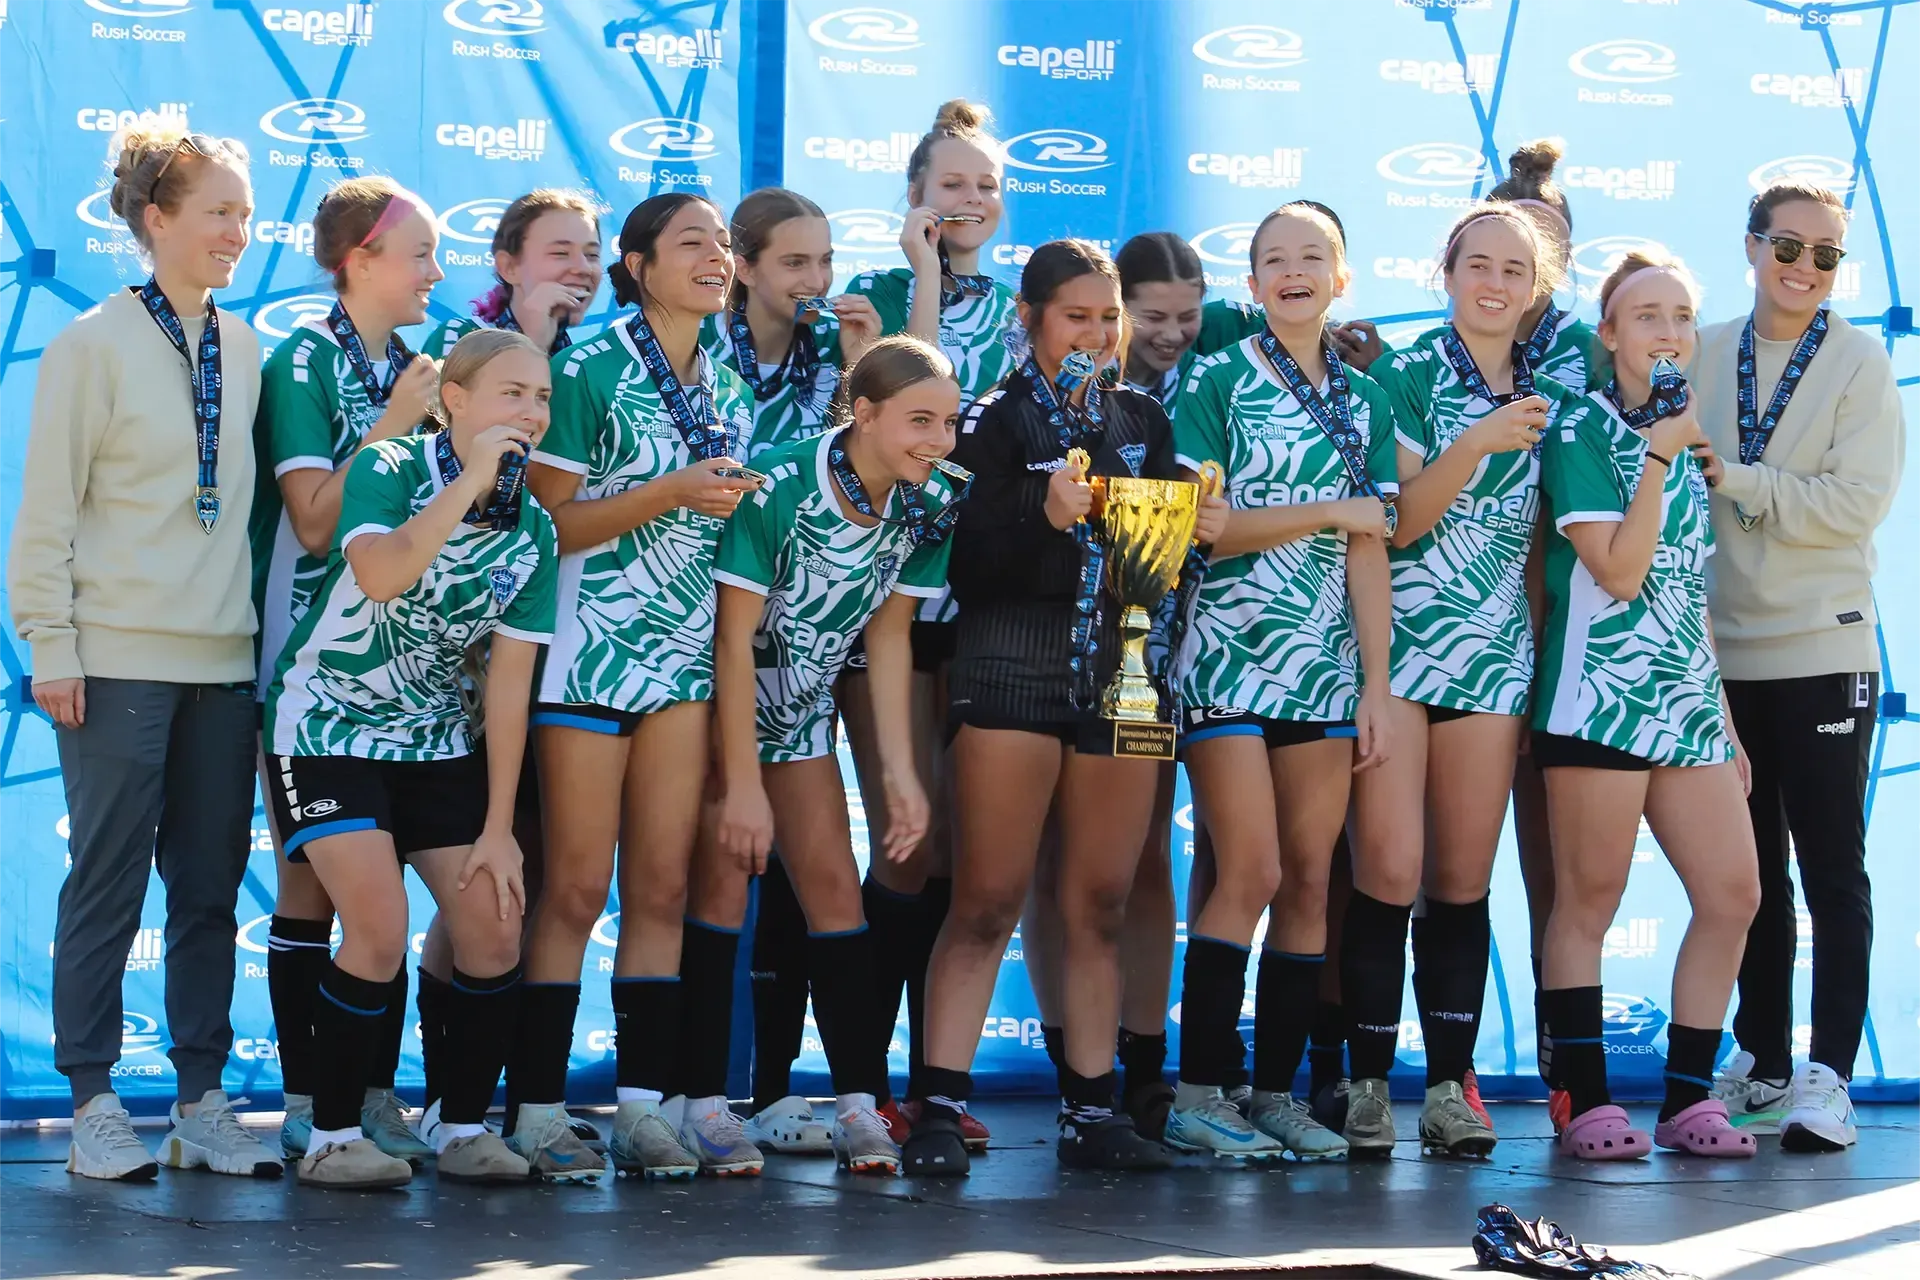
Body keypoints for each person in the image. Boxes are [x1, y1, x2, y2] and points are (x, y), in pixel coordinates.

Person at [902, 239, 1227, 1177]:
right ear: (1033, 322)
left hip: (1126, 678)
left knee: (1102, 902)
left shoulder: (1143, 420)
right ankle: (939, 1107)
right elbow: (956, 565)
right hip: (1009, 672)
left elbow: (1151, 581)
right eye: (1076, 316)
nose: (1095, 333)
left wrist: (1191, 530)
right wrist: (1038, 515)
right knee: (987, 898)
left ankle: (1094, 1110)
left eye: (1107, 317)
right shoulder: (991, 420)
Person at [9, 126, 281, 1182]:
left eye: (247, 214)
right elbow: (48, 513)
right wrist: (53, 642)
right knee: (108, 886)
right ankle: (91, 1099)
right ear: (154, 220)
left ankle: (202, 1100)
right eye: (218, 210)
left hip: (223, 664)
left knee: (209, 885)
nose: (237, 232)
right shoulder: (90, 343)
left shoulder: (247, 344)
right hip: (115, 658)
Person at [264, 328, 558, 1188]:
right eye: (511, 394)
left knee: (495, 927)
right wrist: (468, 483)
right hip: (325, 726)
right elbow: (383, 574)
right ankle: (328, 1137)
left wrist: (501, 826)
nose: (530, 414)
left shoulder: (532, 527)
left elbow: (509, 688)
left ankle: (461, 1125)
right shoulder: (389, 467)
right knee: (380, 928)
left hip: (434, 738)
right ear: (454, 401)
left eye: (540, 398)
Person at [517, 193, 758, 1182]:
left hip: (682, 663)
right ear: (639, 263)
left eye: (724, 243)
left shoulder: (733, 386)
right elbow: (545, 523)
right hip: (584, 652)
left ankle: (645, 1106)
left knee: (659, 884)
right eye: (692, 242)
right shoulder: (592, 365)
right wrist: (670, 490)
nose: (716, 256)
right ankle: (534, 1108)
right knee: (573, 885)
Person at [1160, 203, 1393, 1164]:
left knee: (1308, 882)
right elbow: (1204, 528)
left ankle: (1272, 1095)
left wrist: (1376, 684)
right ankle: (1198, 1091)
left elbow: (1372, 550)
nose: (1292, 271)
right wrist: (1334, 507)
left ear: (1342, 279)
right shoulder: (1213, 378)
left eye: (1312, 258)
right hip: (1225, 657)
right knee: (1248, 869)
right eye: (1272, 260)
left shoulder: (1369, 400)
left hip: (1327, 671)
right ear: (1250, 285)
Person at [1343, 204, 1574, 1159]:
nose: (1493, 282)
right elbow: (1399, 523)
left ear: (1536, 290)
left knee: (1460, 880)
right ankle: (1362, 1085)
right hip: (1398, 652)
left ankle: (1448, 1086)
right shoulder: (1399, 375)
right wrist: (1477, 441)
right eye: (1476, 263)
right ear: (1445, 273)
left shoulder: (1550, 386)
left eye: (1514, 270)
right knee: (1389, 869)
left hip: (1492, 659)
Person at [712, 334, 967, 1175]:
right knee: (709, 897)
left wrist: (900, 778)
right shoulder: (783, 480)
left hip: (801, 717)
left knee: (836, 898)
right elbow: (732, 638)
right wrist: (742, 782)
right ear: (862, 414)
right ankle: (688, 1105)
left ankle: (861, 1104)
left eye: (951, 421)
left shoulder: (932, 503)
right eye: (919, 420)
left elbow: (888, 637)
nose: (939, 439)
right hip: (710, 711)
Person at [1533, 251, 1760, 1162]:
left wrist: (1726, 721)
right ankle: (1586, 1101)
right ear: (1612, 335)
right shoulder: (1582, 426)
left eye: (1680, 317)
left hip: (1686, 699)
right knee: (1589, 898)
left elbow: (1685, 594)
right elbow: (1619, 573)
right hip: (1598, 696)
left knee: (1734, 892)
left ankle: (1688, 1100)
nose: (1666, 332)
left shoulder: (1689, 436)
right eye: (1646, 316)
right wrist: (1661, 455)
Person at [1697, 181, 1904, 1151]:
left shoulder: (1862, 362)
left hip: (1823, 647)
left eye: (1827, 255)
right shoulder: (1701, 348)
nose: (1806, 268)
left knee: (1831, 866)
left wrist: (1737, 479)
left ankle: (1831, 1074)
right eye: (1789, 245)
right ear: (1752, 244)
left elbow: (1854, 504)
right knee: (1750, 873)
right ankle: (1767, 1062)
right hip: (1722, 649)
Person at [252, 176, 444, 1165]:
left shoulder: (413, 362)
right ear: (359, 258)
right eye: (419, 255)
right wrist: (394, 426)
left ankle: (369, 1096)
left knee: (386, 896)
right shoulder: (304, 361)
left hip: (403, 684)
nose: (435, 272)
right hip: (307, 675)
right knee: (312, 897)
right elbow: (317, 521)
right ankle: (302, 1098)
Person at [836, 100, 1015, 1150]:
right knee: (904, 845)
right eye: (952, 186)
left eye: (987, 186)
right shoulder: (876, 300)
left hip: (985, 608)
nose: (972, 201)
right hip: (890, 605)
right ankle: (862, 1081)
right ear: (915, 200)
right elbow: (917, 411)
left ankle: (927, 1085)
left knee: (954, 851)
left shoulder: (1027, 304)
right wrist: (924, 285)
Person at [412, 187, 599, 1149]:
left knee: (504, 886)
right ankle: (422, 1102)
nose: (580, 268)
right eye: (560, 251)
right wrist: (529, 340)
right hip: (434, 679)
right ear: (507, 262)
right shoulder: (462, 359)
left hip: (547, 668)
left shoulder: (603, 362)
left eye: (592, 253)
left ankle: (460, 1107)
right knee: (469, 895)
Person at [423, 188, 601, 359]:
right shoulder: (460, 338)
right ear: (509, 267)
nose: (584, 268)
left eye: (592, 255)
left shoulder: (583, 361)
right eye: (561, 253)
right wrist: (533, 345)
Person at [1488, 140, 1598, 394]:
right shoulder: (1435, 352)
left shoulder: (1596, 356)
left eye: (1546, 247)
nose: (1529, 262)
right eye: (1512, 244)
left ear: (1567, 255)